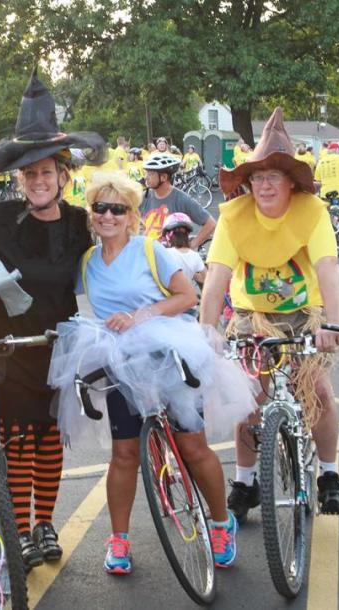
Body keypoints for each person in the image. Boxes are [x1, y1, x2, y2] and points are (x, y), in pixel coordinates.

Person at [47, 173, 252, 576]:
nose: (108, 216)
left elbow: (187, 296)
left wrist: (141, 315)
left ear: (131, 215)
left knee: (192, 446)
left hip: (165, 350)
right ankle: (119, 540)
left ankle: (219, 523)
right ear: (91, 214)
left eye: (117, 209)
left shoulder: (149, 250)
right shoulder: (86, 262)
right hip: (119, 357)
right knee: (124, 454)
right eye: (100, 208)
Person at [199, 107, 339, 521]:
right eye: (257, 178)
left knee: (317, 390)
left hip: (304, 313)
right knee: (249, 398)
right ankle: (246, 482)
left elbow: (328, 268)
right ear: (247, 183)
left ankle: (329, 476)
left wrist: (335, 323)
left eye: (273, 177)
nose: (264, 185)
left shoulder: (311, 212)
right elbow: (216, 278)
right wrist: (207, 330)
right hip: (252, 317)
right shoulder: (234, 217)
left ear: (290, 182)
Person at [0, 73, 104, 570]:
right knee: (17, 440)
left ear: (62, 177)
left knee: (50, 438)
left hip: (60, 347)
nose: (37, 181)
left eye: (46, 173)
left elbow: (115, 262)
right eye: (28, 174)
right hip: (11, 350)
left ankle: (44, 524)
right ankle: (19, 527)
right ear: (19, 178)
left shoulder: (82, 222)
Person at [139, 152, 216, 248]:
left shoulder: (181, 199)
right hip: (149, 257)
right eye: (147, 173)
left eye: (151, 173)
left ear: (163, 177)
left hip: (170, 260)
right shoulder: (144, 197)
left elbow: (211, 224)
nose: (146, 177)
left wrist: (191, 247)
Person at [161, 212, 206, 291]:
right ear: (187, 235)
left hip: (168, 300)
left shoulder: (165, 254)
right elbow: (206, 279)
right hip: (188, 300)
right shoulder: (195, 256)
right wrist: (191, 272)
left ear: (168, 237)